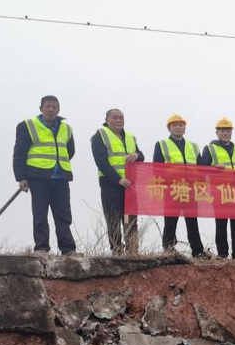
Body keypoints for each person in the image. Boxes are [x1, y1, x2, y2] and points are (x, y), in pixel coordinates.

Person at [13, 95, 77, 255]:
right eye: (48, 106)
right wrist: (21, 177)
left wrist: (58, 163)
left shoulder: (66, 128)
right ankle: (41, 248)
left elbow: (70, 151)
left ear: (58, 110)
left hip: (60, 177)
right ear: (41, 108)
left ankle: (68, 249)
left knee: (63, 215)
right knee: (40, 214)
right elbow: (19, 154)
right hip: (38, 176)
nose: (51, 109)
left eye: (54, 107)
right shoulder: (28, 126)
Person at [92, 108, 144, 255]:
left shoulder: (130, 137)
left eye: (121, 118)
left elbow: (141, 155)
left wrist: (137, 155)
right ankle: (117, 251)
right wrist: (118, 179)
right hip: (111, 184)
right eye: (115, 117)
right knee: (113, 218)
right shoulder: (100, 135)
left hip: (130, 185)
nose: (118, 120)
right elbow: (101, 162)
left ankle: (133, 250)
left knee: (130, 219)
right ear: (107, 119)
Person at [152, 114, 205, 257]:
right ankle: (168, 248)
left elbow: (201, 168)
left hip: (190, 189)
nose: (178, 127)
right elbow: (156, 169)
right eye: (174, 125)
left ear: (185, 128)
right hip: (172, 188)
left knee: (192, 221)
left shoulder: (193, 147)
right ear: (169, 128)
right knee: (170, 220)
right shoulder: (162, 144)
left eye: (180, 125)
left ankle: (198, 250)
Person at [198, 117, 235, 258]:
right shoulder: (210, 148)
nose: (225, 133)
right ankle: (222, 253)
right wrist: (213, 167)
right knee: (221, 224)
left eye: (228, 130)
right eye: (222, 131)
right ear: (217, 133)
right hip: (220, 192)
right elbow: (202, 168)